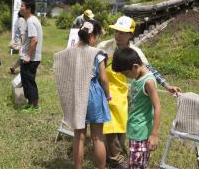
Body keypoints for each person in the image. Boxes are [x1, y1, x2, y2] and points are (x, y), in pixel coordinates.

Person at [97, 16, 181, 168]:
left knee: (124, 124)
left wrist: (166, 85)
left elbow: (149, 70)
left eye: (122, 33)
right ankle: (116, 157)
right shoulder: (105, 46)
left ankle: (123, 151)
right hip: (107, 90)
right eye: (116, 31)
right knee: (110, 125)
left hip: (125, 91)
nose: (117, 36)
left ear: (131, 34)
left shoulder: (135, 52)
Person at [54, 20, 111, 169]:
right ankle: (102, 167)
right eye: (97, 36)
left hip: (77, 93)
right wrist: (108, 95)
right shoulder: (96, 54)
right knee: (97, 137)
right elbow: (103, 79)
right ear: (91, 35)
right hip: (93, 93)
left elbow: (61, 68)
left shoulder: (69, 52)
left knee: (79, 136)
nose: (97, 40)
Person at [112, 47, 161, 168]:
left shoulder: (148, 81)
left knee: (136, 165)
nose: (127, 76)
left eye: (126, 73)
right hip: (135, 129)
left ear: (135, 66)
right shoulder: (137, 77)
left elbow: (158, 107)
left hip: (141, 132)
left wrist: (154, 134)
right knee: (137, 164)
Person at [19, 0, 43, 111]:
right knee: (26, 80)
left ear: (28, 9)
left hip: (31, 58)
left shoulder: (31, 21)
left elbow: (34, 40)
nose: (20, 8)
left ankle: (35, 105)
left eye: (22, 6)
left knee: (29, 81)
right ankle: (30, 102)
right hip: (31, 57)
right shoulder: (31, 20)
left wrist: (28, 55)